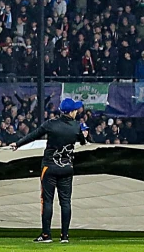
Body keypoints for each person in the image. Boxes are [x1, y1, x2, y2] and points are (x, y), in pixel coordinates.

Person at [9, 97, 90, 242]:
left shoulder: (51, 124)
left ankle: (46, 235)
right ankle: (64, 236)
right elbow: (83, 142)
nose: (77, 112)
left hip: (49, 167)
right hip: (67, 167)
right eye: (75, 110)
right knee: (65, 202)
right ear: (70, 112)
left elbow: (33, 135)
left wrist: (18, 144)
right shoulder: (77, 126)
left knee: (47, 201)